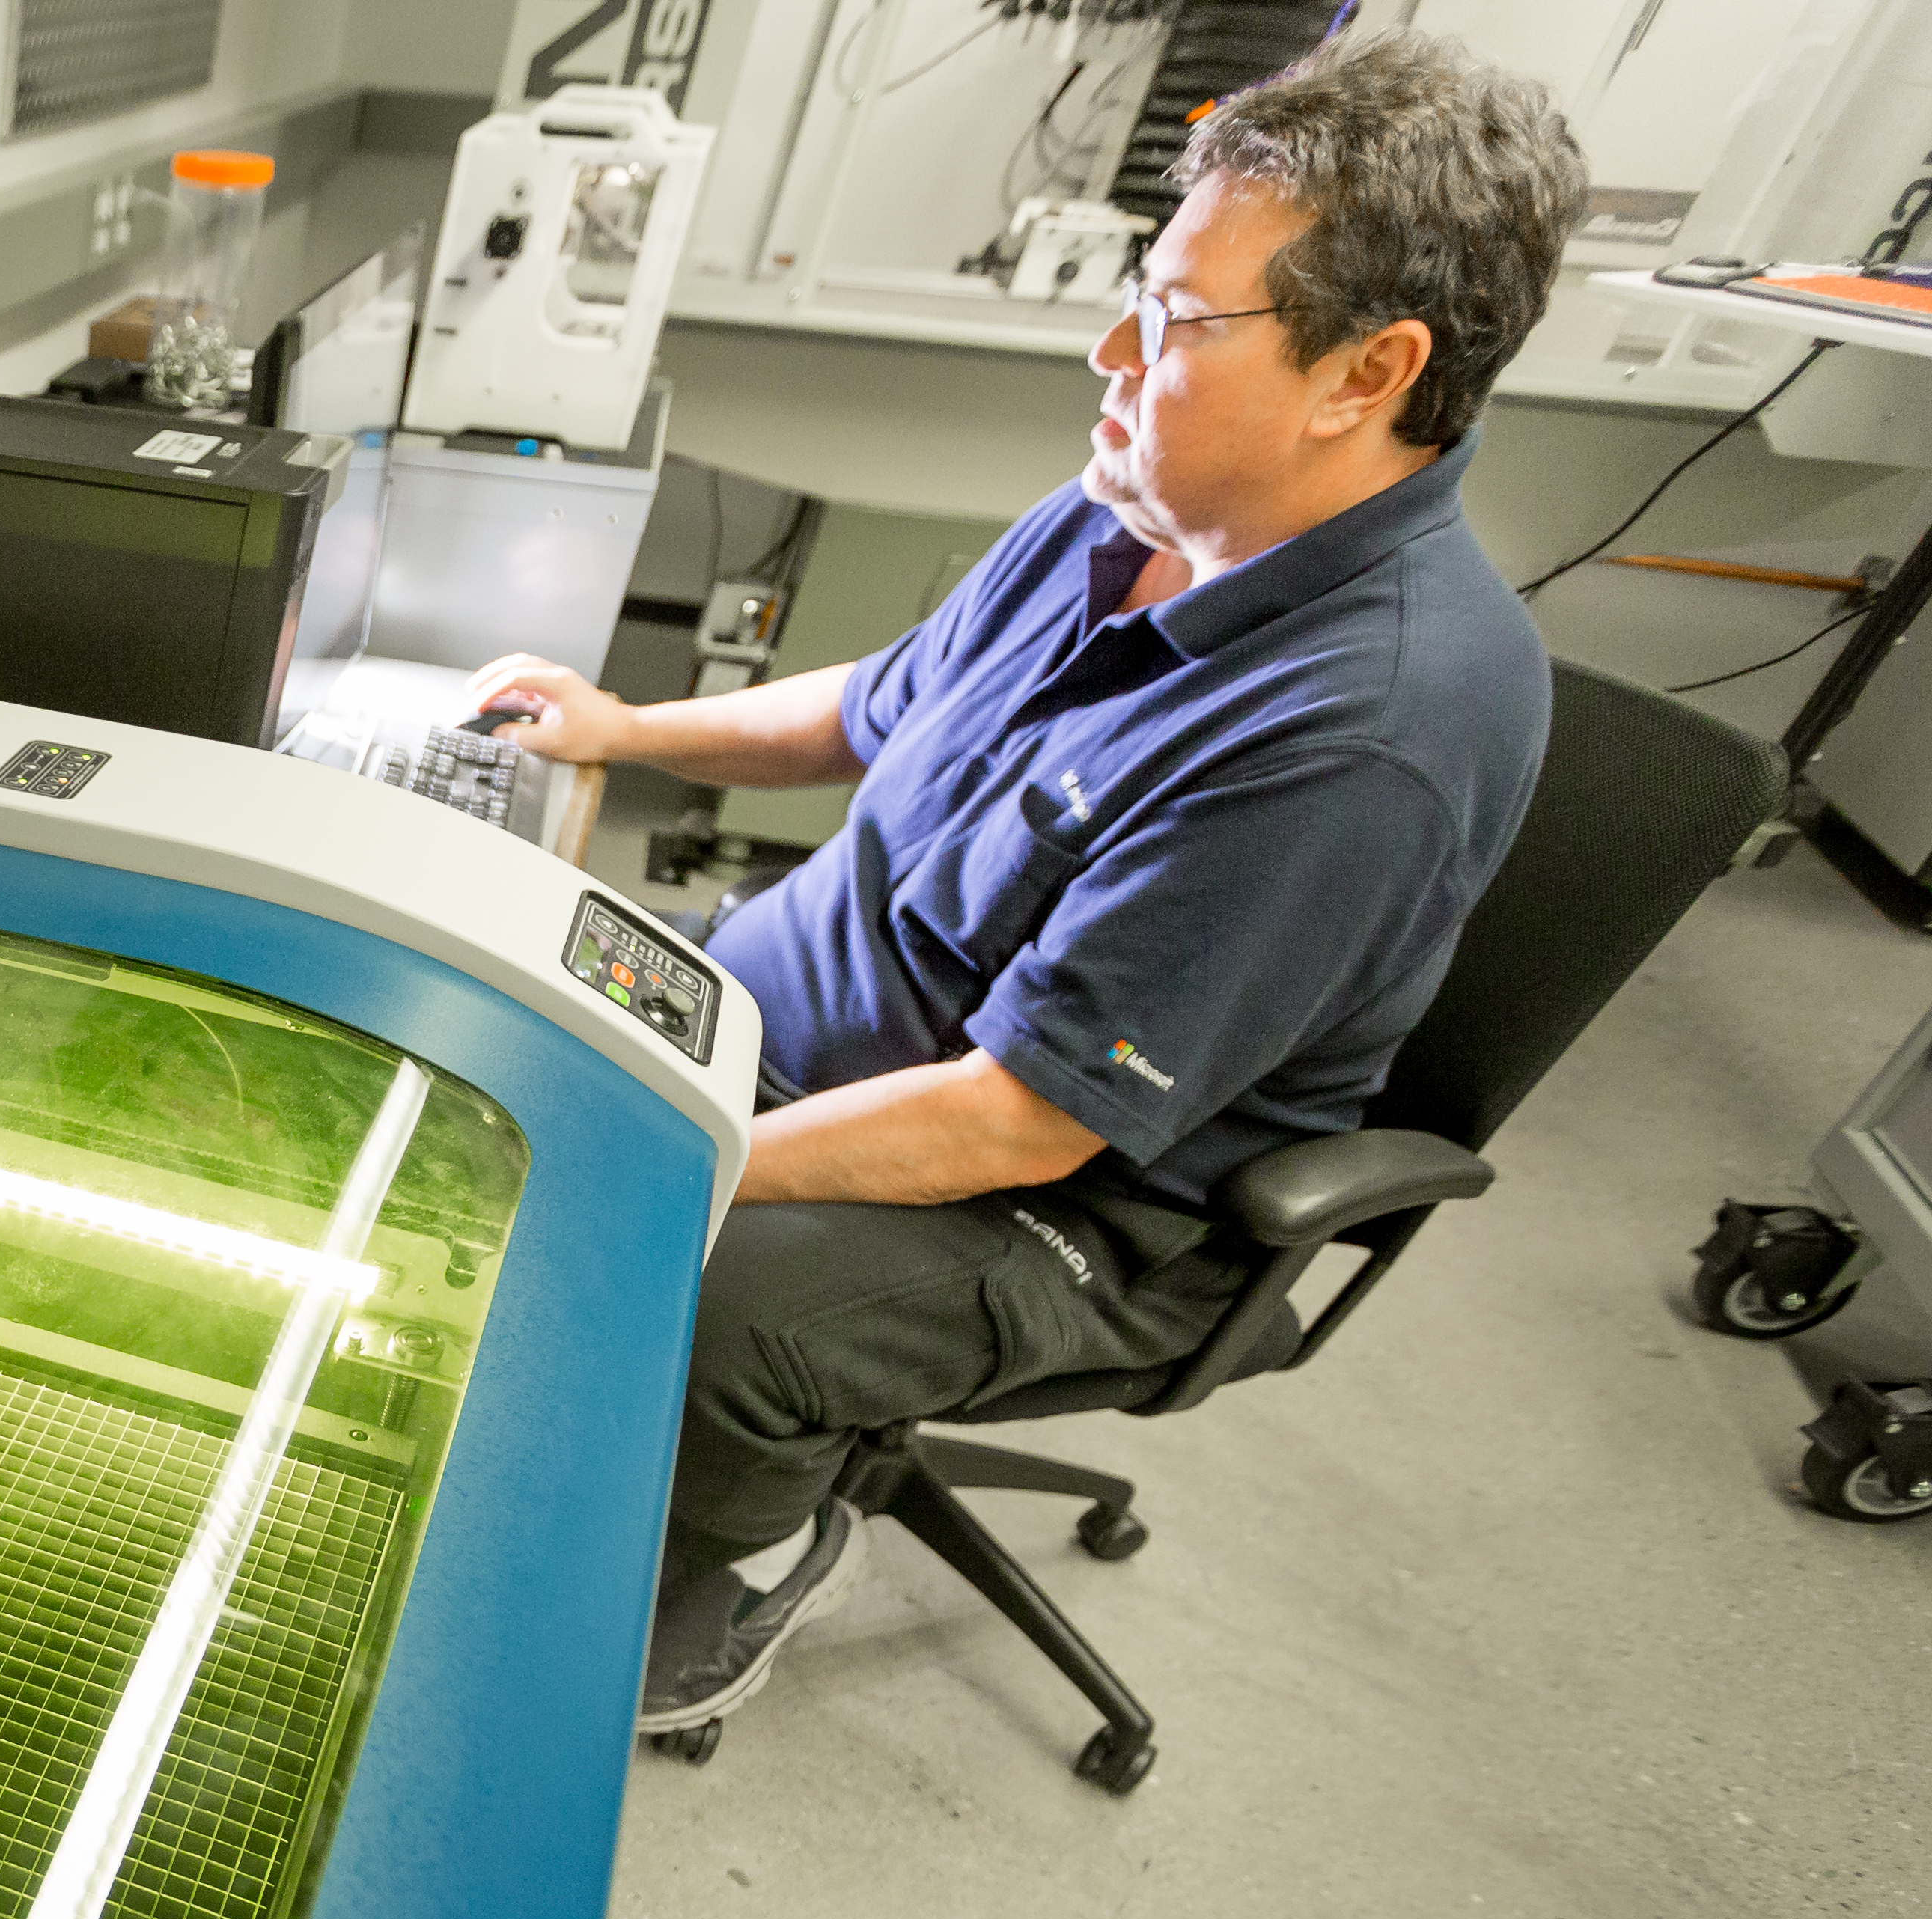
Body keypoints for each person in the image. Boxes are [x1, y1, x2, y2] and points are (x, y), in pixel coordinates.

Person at [465, 31, 1587, 1736]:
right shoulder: (1133, 506)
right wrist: (625, 725)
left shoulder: (1362, 731)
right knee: (476, 1019)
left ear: (1369, 374)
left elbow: (1019, 1122)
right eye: (1141, 289)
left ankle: (725, 1574)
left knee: (712, 1310)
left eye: (1180, 319)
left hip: (1066, 1201)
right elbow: (881, 703)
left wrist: (657, 1162)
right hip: (802, 1016)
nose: (1113, 351)